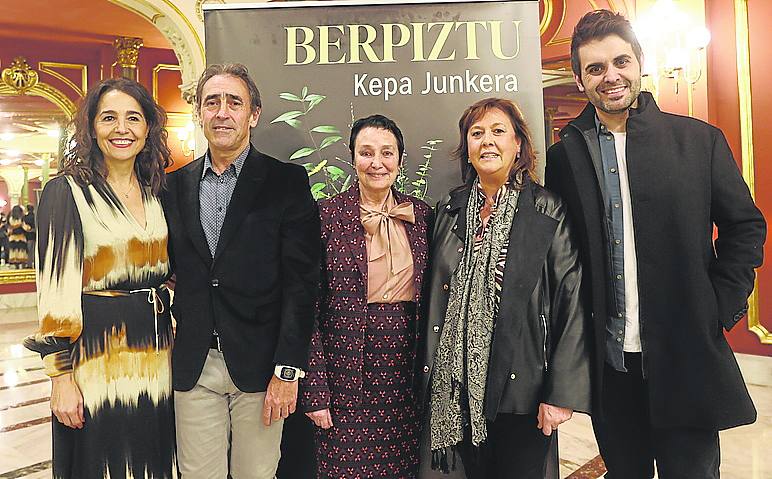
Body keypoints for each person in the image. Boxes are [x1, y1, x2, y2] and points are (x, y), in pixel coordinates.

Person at [545, 10, 766, 479]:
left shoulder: (699, 141)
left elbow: (745, 227)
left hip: (685, 356)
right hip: (611, 368)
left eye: (620, 61)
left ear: (640, 62)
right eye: (595, 68)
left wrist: (718, 306)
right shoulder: (565, 156)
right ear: (580, 78)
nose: (611, 76)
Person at [163, 63, 320, 479]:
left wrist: (288, 369)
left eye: (234, 102)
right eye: (211, 102)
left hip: (262, 366)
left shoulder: (286, 181)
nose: (222, 112)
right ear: (199, 114)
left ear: (253, 115)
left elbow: (303, 284)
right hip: (194, 363)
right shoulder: (172, 186)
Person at [419, 98, 590, 479]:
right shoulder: (450, 208)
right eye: (476, 133)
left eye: (498, 131)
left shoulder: (547, 209)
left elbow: (571, 300)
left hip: (523, 390)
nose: (487, 141)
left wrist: (561, 394)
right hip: (456, 389)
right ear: (466, 146)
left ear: (518, 145)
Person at [23, 77, 175, 478]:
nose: (121, 129)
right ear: (91, 128)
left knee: (151, 463)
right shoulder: (66, 192)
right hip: (95, 359)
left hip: (157, 358)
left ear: (148, 129)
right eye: (108, 118)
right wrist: (61, 378)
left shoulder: (157, 191)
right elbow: (55, 291)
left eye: (133, 118)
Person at [301, 114, 433, 478]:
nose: (377, 163)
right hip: (344, 382)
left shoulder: (422, 216)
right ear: (352, 158)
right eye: (367, 152)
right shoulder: (325, 216)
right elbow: (306, 308)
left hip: (406, 381)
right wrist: (315, 389)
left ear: (401, 161)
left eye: (387, 153)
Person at [24, 204, 35, 268]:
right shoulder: (35, 216)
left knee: (29, 250)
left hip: (27, 235)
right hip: (34, 235)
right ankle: (35, 263)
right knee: (33, 250)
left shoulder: (25, 217)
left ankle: (29, 264)